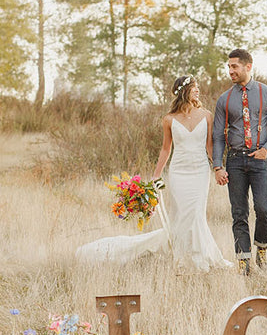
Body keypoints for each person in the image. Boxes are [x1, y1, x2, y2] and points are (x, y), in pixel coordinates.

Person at [76, 76, 232, 273]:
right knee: (182, 216)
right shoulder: (169, 120)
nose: (198, 91)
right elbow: (165, 150)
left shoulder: (207, 115)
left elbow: (210, 146)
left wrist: (219, 167)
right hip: (178, 173)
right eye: (194, 88)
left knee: (196, 215)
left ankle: (199, 257)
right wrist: (156, 175)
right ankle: (183, 258)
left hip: (200, 172)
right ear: (184, 91)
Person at [212, 49, 267, 275]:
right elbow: (217, 135)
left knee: (264, 209)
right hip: (234, 161)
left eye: (234, 66)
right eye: (228, 67)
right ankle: (243, 262)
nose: (230, 71)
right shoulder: (224, 99)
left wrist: (266, 149)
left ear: (248, 66)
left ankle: (262, 250)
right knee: (239, 213)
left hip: (260, 160)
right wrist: (217, 166)